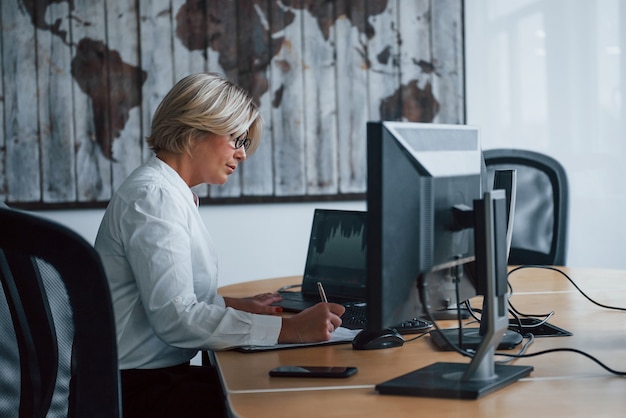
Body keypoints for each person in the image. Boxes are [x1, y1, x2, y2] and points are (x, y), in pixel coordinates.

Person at [94, 72, 345, 417]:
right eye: (236, 139)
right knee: (282, 399)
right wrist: (291, 329)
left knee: (277, 385)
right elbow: (175, 318)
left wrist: (234, 304)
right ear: (195, 128)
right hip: (136, 392)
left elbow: (161, 297)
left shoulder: (172, 193)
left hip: (149, 379)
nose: (242, 155)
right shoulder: (154, 197)